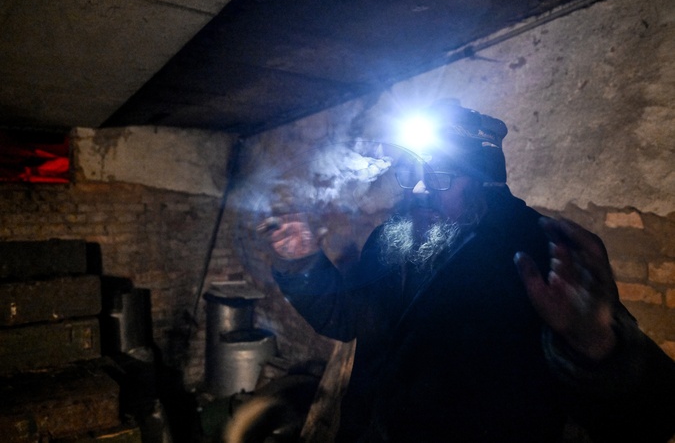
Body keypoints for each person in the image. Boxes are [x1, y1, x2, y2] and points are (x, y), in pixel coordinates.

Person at [259, 101, 675, 442]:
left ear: (484, 182)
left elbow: (652, 417)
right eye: (410, 173)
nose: (419, 189)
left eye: (439, 175)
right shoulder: (392, 238)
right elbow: (351, 318)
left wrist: (598, 344)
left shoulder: (541, 250)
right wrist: (303, 261)